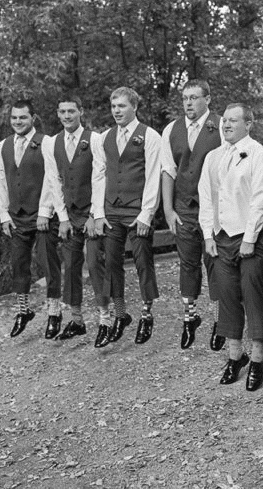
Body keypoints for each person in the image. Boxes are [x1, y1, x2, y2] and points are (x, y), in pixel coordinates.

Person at [198, 103, 263, 391]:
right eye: (225, 121)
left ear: (248, 124)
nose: (226, 125)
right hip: (221, 237)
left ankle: (257, 358)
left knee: (251, 294)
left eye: (233, 120)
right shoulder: (213, 157)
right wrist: (208, 235)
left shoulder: (259, 153)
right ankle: (235, 355)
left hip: (250, 237)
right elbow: (206, 197)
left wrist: (250, 238)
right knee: (227, 295)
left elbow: (261, 197)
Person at [90, 87, 161, 347]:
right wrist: (99, 213)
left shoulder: (150, 136)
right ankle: (121, 314)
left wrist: (146, 214)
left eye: (121, 106)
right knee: (111, 263)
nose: (116, 111)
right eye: (113, 106)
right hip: (111, 211)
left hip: (137, 210)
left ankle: (146, 314)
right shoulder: (104, 138)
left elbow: (154, 175)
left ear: (134, 107)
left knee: (143, 261)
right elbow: (98, 175)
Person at [160, 80, 225, 350]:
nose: (188, 103)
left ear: (207, 99)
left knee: (216, 263)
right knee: (187, 264)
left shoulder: (222, 125)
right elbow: (168, 170)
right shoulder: (171, 129)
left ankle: (223, 321)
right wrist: (168, 209)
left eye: (194, 98)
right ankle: (190, 317)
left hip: (214, 210)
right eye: (185, 98)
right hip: (183, 208)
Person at [0, 99, 61, 338]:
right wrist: (4, 216)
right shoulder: (2, 146)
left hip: (42, 216)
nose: (18, 122)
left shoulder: (47, 142)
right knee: (19, 264)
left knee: (47, 263)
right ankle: (23, 310)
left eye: (22, 117)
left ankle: (54, 312)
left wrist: (45, 211)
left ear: (33, 118)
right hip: (17, 217)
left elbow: (53, 179)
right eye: (14, 118)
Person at [41, 95, 107, 341]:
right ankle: (77, 320)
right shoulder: (52, 143)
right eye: (62, 112)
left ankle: (105, 320)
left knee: (94, 263)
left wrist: (94, 214)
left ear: (81, 111)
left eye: (71, 111)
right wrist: (63, 217)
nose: (66, 116)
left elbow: (101, 177)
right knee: (70, 266)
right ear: (57, 114)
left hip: (91, 214)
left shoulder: (95, 139)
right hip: (69, 215)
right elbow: (53, 180)